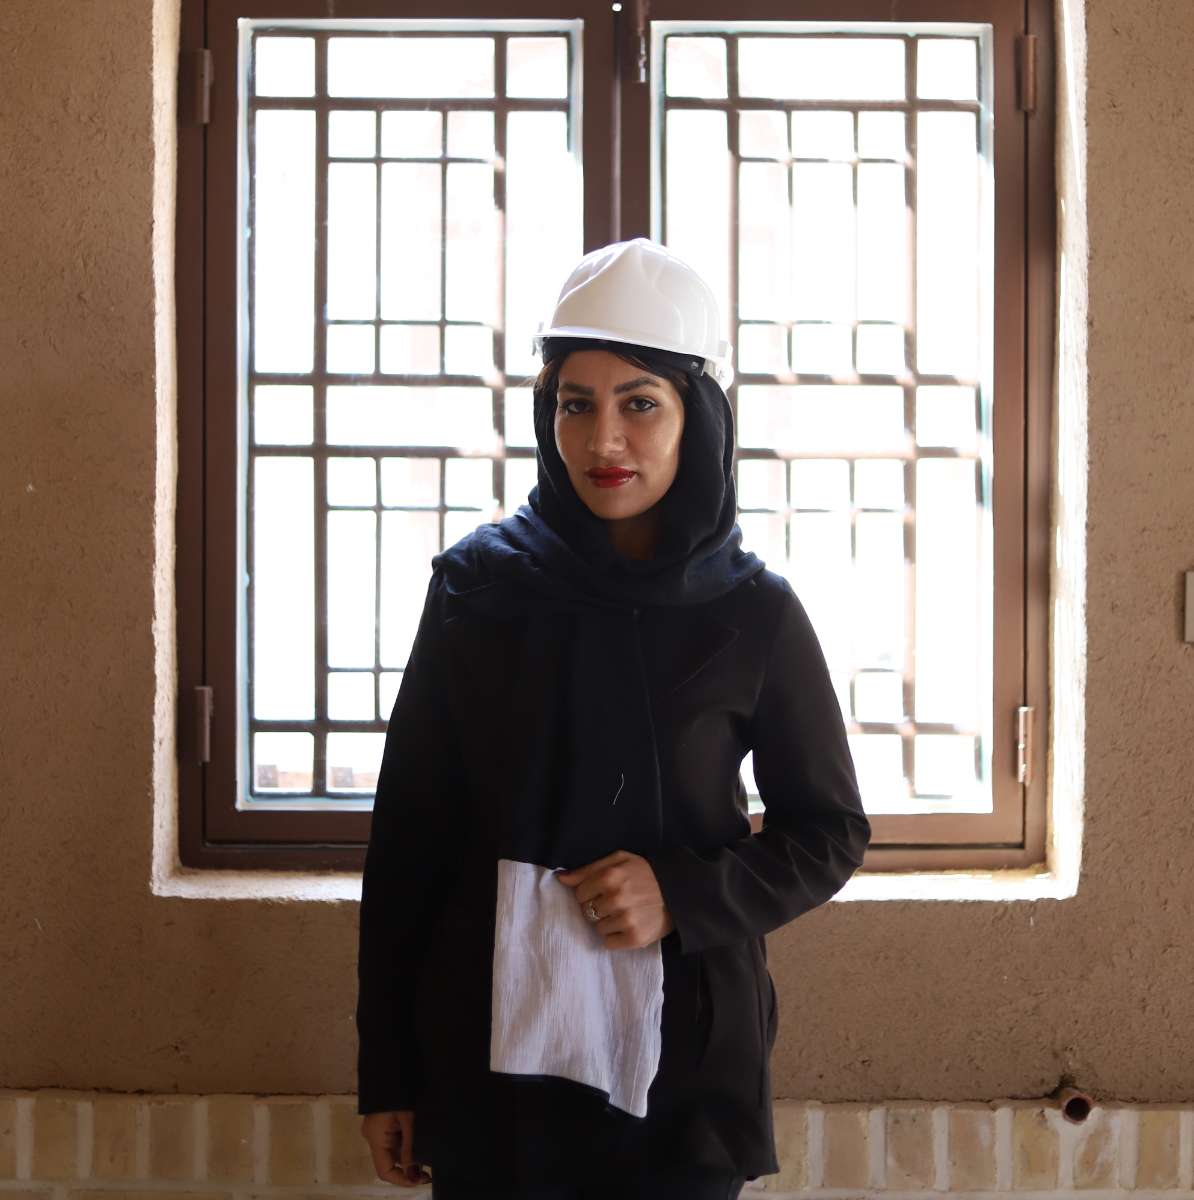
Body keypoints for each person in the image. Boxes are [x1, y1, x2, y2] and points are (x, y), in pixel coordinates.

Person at [356, 238, 871, 1199]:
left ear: (696, 416)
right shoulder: (476, 590)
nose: (603, 442)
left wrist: (681, 892)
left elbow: (829, 832)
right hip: (488, 1070)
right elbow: (409, 841)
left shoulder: (752, 612)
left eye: (639, 404)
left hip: (682, 1070)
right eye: (575, 404)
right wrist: (387, 1070)